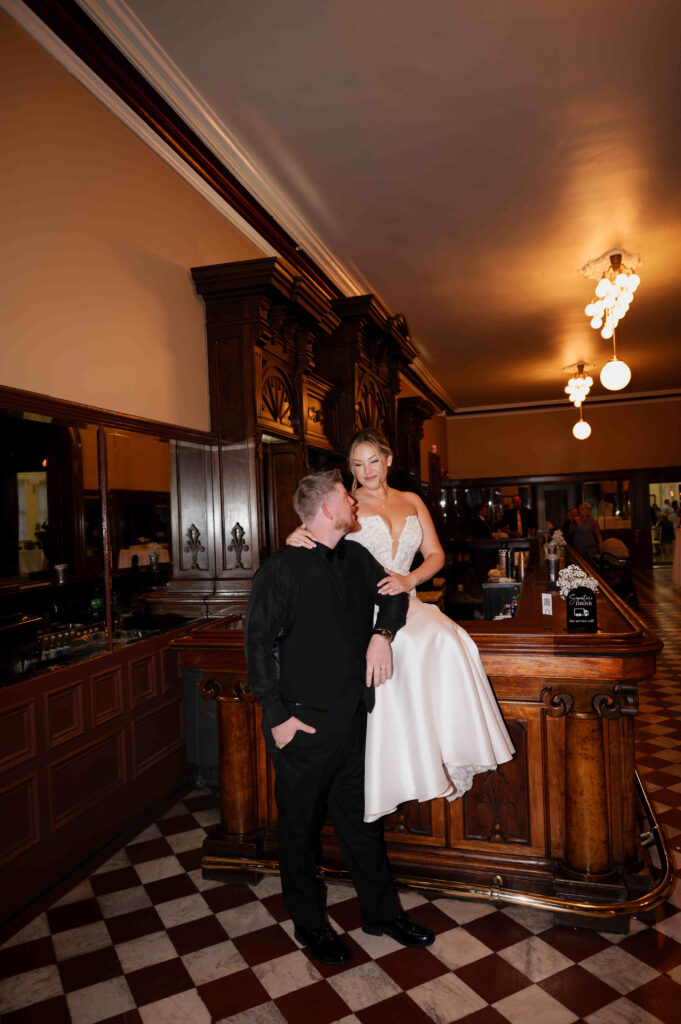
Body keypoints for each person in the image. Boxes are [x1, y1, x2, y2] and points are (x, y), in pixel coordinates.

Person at [245, 469, 434, 967]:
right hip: (302, 726)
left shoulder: (355, 557)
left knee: (361, 824)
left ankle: (381, 913)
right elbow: (257, 647)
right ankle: (309, 925)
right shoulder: (280, 570)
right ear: (326, 510)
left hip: (354, 720)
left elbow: (393, 593)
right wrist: (278, 717)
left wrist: (382, 635)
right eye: (345, 497)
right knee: (299, 832)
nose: (354, 501)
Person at [287, 429, 515, 823]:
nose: (366, 470)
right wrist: (296, 535)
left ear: (388, 459)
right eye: (357, 464)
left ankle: (445, 753)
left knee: (449, 638)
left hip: (409, 599)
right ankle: (406, 768)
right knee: (411, 646)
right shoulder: (346, 502)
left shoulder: (411, 501)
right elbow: (319, 536)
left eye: (373, 460)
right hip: (366, 609)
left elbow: (435, 555)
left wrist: (410, 580)